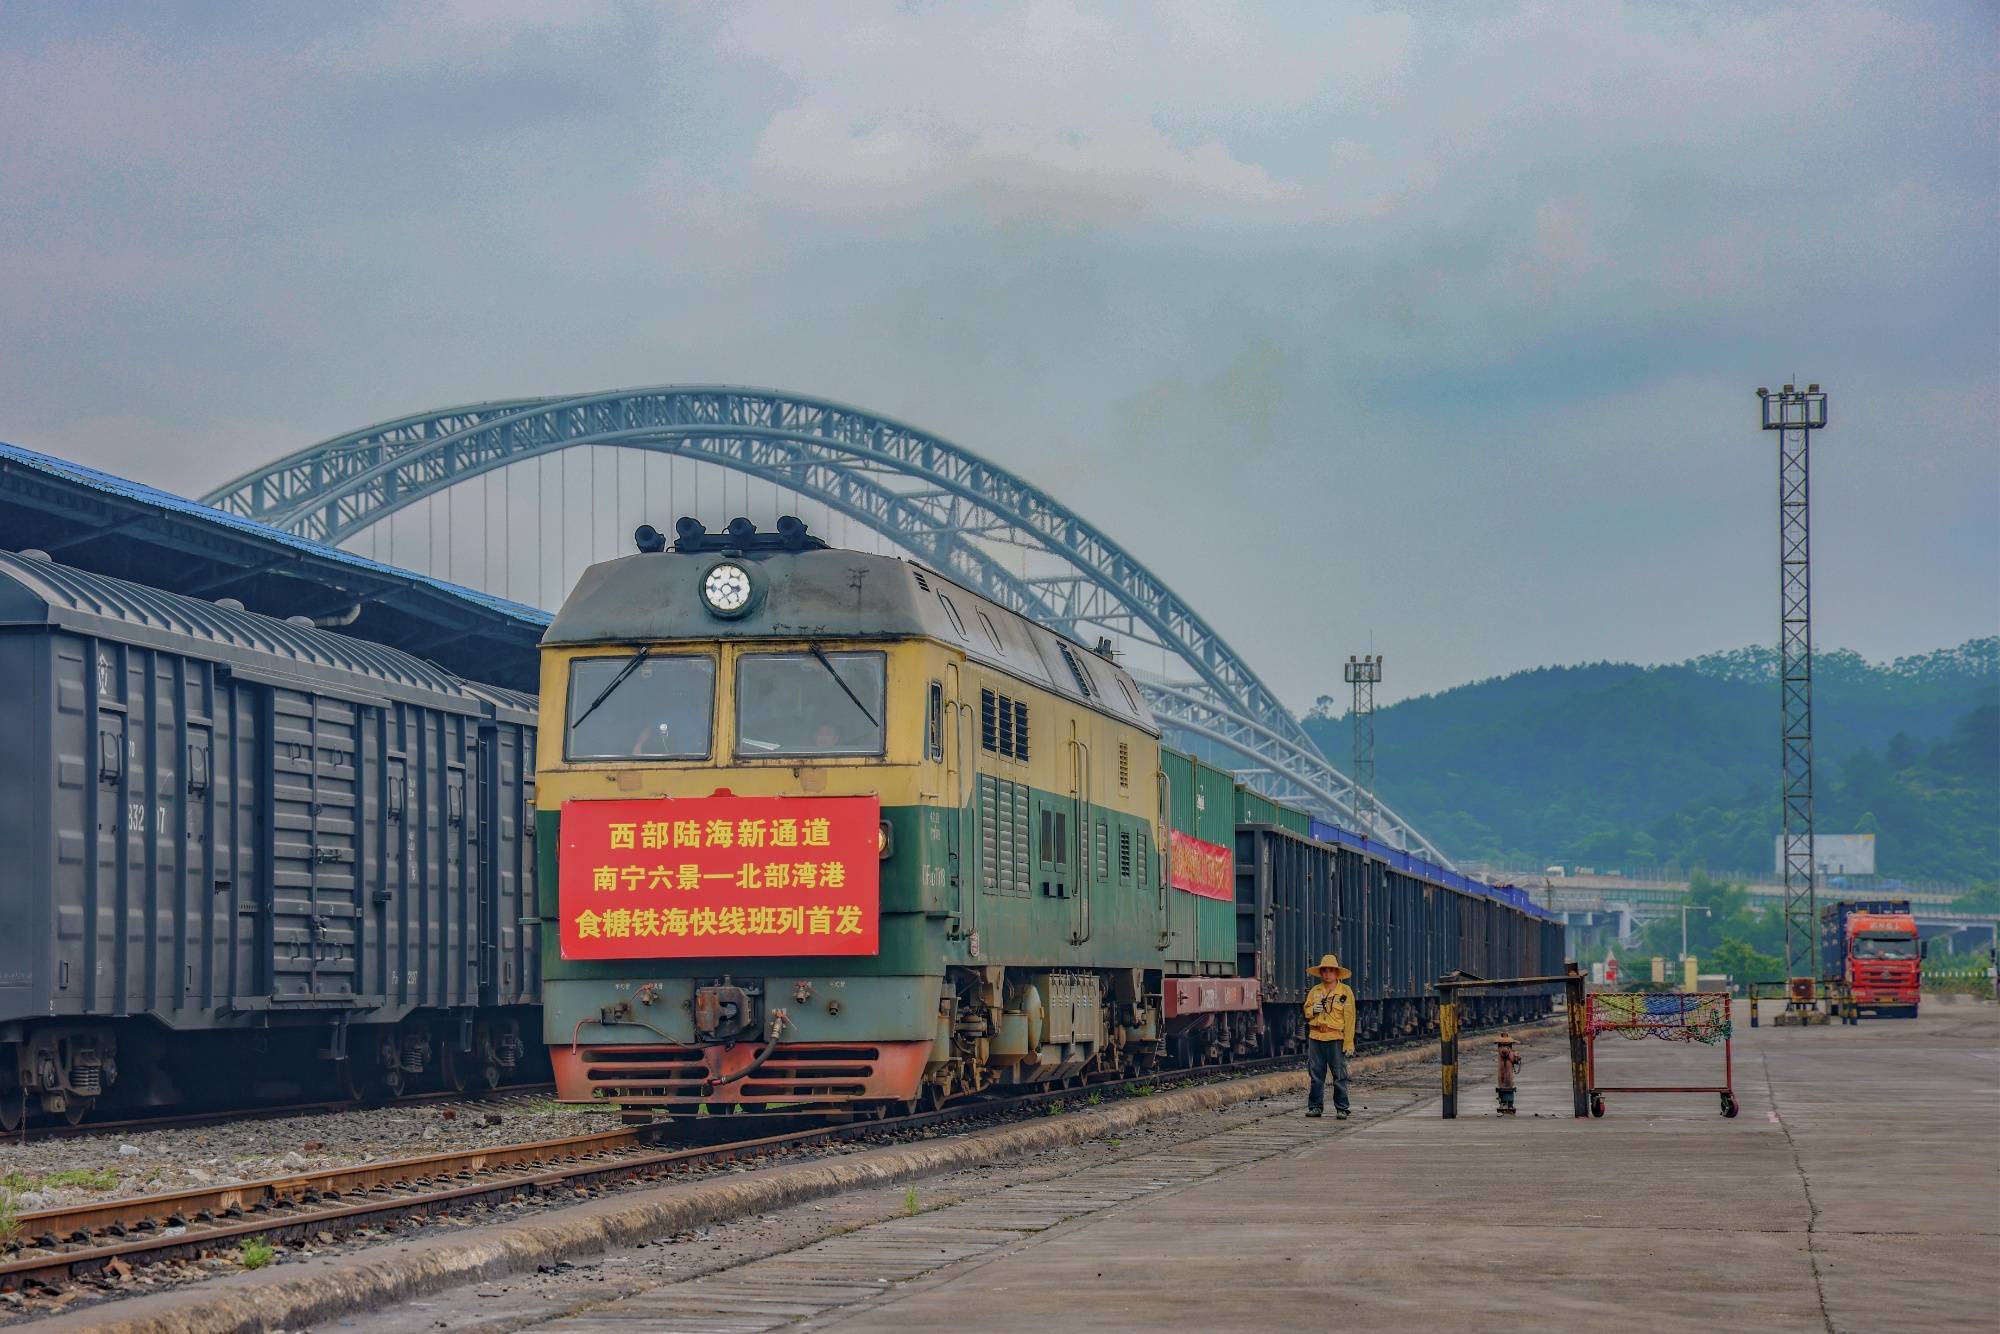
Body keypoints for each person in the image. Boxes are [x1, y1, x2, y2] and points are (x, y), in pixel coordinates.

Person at [1303, 953, 1356, 1119]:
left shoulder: (1345, 992)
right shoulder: (1314, 992)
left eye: (1331, 971)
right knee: (1316, 1075)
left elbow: (1350, 1019)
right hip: (1316, 1037)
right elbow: (1306, 1012)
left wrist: (1348, 1043)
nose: (1327, 974)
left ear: (1337, 973)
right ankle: (1315, 1107)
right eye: (1324, 971)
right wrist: (1314, 1010)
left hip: (1335, 1039)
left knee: (1339, 1075)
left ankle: (1342, 1108)